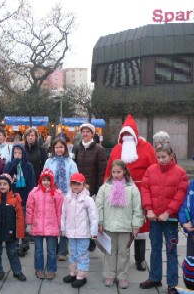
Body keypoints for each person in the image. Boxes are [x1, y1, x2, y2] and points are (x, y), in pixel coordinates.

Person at [104, 114, 157, 272]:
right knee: (121, 226)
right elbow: (108, 170)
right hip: (119, 192)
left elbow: (154, 169)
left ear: (134, 134)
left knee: (139, 226)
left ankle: (140, 259)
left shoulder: (147, 148)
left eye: (129, 134)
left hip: (140, 192)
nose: (126, 137)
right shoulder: (116, 149)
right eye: (124, 134)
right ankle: (121, 258)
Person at [140, 143, 189, 294]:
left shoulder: (180, 173)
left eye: (164, 157)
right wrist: (148, 208)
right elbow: (145, 189)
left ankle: (172, 283)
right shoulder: (150, 170)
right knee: (155, 249)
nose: (161, 160)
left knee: (171, 250)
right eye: (158, 157)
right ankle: (155, 277)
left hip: (170, 221)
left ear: (171, 156)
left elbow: (180, 195)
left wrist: (168, 212)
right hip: (155, 219)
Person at [96, 159, 144, 289]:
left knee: (124, 252)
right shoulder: (105, 187)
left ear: (124, 172)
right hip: (109, 225)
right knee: (110, 252)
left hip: (125, 226)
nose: (116, 175)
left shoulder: (132, 189)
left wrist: (136, 226)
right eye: (113, 172)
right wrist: (100, 221)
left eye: (119, 172)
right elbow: (99, 205)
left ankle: (122, 276)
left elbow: (137, 208)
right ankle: (109, 274)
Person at [72, 123, 107, 252]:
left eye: (88, 132)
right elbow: (74, 166)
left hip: (92, 188)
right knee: (80, 214)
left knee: (91, 215)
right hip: (78, 187)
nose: (85, 134)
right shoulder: (77, 148)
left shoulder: (99, 149)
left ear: (92, 134)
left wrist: (98, 187)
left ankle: (92, 240)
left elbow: (102, 170)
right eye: (83, 132)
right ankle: (82, 237)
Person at [61, 173, 98, 289]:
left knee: (82, 254)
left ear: (83, 185)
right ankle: (73, 272)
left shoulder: (87, 200)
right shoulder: (68, 198)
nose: (76, 186)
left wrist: (94, 232)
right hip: (71, 232)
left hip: (83, 233)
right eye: (73, 184)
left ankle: (81, 275)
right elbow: (64, 214)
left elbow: (93, 216)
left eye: (78, 184)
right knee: (73, 253)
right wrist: (63, 229)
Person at [44, 137, 78, 261]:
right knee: (52, 222)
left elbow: (74, 179)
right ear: (53, 148)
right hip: (51, 196)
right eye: (57, 147)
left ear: (65, 148)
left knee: (64, 223)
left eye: (61, 147)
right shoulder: (49, 162)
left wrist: (73, 194)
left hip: (66, 196)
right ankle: (52, 249)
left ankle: (63, 251)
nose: (59, 149)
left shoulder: (70, 162)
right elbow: (45, 177)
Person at [26, 169, 63, 280]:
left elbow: (59, 211)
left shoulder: (57, 194)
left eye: (48, 180)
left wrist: (60, 226)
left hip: (51, 226)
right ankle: (39, 269)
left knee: (52, 250)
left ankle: (51, 269)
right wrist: (29, 223)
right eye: (44, 180)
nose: (46, 182)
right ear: (40, 180)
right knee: (38, 250)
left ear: (52, 181)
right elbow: (29, 209)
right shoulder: (34, 193)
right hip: (37, 225)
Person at [3, 143, 36, 256]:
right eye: (15, 153)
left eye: (20, 153)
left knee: (24, 224)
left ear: (23, 153)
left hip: (24, 198)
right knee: (13, 223)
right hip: (12, 199)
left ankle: (24, 245)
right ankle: (15, 245)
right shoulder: (10, 164)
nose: (17, 155)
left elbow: (31, 184)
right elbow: (5, 175)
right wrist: (13, 163)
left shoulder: (28, 166)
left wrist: (29, 200)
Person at [0, 174, 26, 282]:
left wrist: (20, 233)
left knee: (12, 252)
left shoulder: (14, 200)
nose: (2, 186)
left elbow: (20, 217)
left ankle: (17, 271)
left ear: (9, 186)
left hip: (10, 231)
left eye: (5, 184)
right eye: (0, 184)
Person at [179, 179, 194, 256]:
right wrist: (184, 221)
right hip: (191, 233)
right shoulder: (192, 184)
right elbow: (185, 205)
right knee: (190, 262)